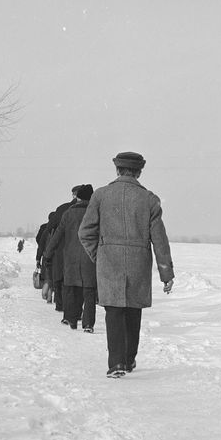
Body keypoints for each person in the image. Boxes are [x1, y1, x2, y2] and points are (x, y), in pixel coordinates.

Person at [78, 151, 174, 378]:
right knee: (133, 311)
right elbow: (159, 239)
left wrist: (99, 255)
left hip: (109, 262)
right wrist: (166, 273)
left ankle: (116, 363)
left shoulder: (100, 196)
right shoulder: (150, 199)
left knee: (113, 312)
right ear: (139, 172)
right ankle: (129, 359)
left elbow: (85, 232)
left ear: (117, 170)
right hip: (138, 263)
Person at [43, 184, 97, 331]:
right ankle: (88, 324)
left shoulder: (68, 214)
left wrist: (47, 254)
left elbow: (57, 236)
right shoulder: (95, 213)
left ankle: (70, 318)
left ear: (78, 197)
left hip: (70, 258)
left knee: (71, 289)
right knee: (89, 291)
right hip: (90, 258)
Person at [46, 185, 82, 312]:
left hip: (62, 248)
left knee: (60, 277)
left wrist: (48, 252)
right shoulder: (92, 209)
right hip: (84, 249)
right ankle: (77, 309)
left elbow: (50, 228)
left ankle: (61, 305)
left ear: (73, 194)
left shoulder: (62, 209)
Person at [36, 217, 53, 302]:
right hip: (57, 256)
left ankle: (47, 295)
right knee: (55, 277)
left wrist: (38, 258)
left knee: (48, 277)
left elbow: (40, 245)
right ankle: (53, 296)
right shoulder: (59, 228)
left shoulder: (45, 230)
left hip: (46, 256)